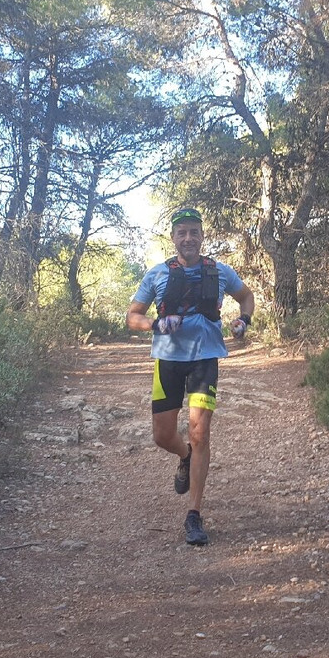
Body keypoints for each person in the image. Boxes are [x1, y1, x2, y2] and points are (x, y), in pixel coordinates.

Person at [125, 207, 255, 546]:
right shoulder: (157, 274)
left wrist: (245, 320)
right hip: (167, 360)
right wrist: (155, 324)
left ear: (202, 236)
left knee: (200, 433)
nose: (188, 238)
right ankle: (184, 457)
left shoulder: (220, 271)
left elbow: (246, 296)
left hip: (205, 360)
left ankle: (194, 515)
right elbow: (132, 316)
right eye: (181, 232)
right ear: (173, 238)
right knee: (162, 436)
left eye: (193, 232)